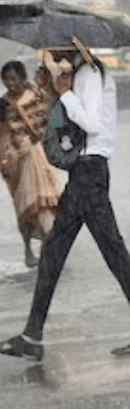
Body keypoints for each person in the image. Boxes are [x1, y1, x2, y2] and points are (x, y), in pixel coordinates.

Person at [0, 44, 130, 364]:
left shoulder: (91, 73)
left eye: (57, 47)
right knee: (56, 251)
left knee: (110, 252)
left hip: (90, 173)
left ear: (73, 43)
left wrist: (63, 93)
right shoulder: (77, 74)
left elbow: (91, 124)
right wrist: (53, 90)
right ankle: (32, 335)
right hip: (83, 174)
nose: (52, 53)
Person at [0, 60, 61, 266]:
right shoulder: (3, 103)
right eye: (6, 80)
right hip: (15, 162)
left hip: (40, 157)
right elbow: (2, 135)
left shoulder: (36, 96)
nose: (10, 84)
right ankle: (28, 251)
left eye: (14, 79)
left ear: (22, 79)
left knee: (44, 202)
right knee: (23, 207)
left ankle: (48, 245)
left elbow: (50, 120)